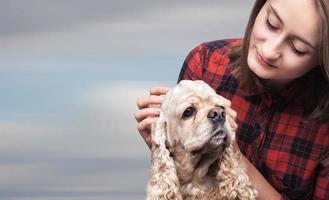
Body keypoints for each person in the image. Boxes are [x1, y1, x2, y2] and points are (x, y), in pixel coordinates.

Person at [134, 0, 329, 199]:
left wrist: (237, 159)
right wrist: (168, 143)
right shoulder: (206, 62)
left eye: (298, 48)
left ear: (323, 59)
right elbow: (184, 179)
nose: (269, 51)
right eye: (271, 23)